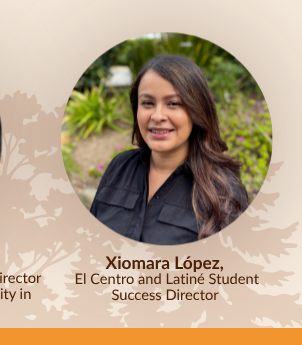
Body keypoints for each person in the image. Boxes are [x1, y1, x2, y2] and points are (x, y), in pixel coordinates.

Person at [90, 55, 248, 245]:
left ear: (197, 110)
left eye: (173, 103)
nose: (157, 116)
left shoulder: (222, 190)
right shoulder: (119, 167)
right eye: (147, 103)